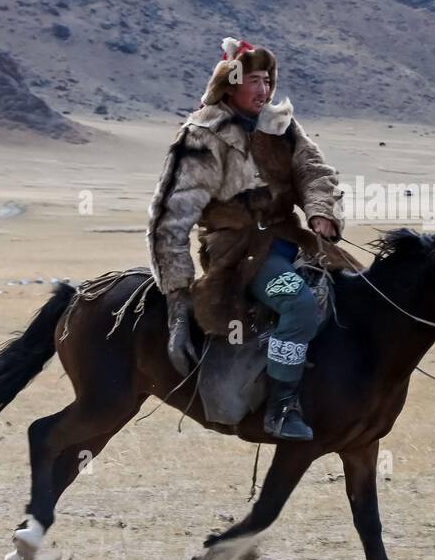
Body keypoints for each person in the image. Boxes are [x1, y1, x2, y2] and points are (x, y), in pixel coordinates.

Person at [147, 37, 354, 440]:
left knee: (356, 293)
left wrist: (321, 212)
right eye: (253, 80)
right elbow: (170, 217)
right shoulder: (202, 135)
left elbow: (315, 171)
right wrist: (176, 296)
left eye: (267, 79)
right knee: (297, 303)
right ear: (230, 83)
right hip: (240, 255)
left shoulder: (281, 125)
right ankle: (279, 408)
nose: (263, 89)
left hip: (291, 239)